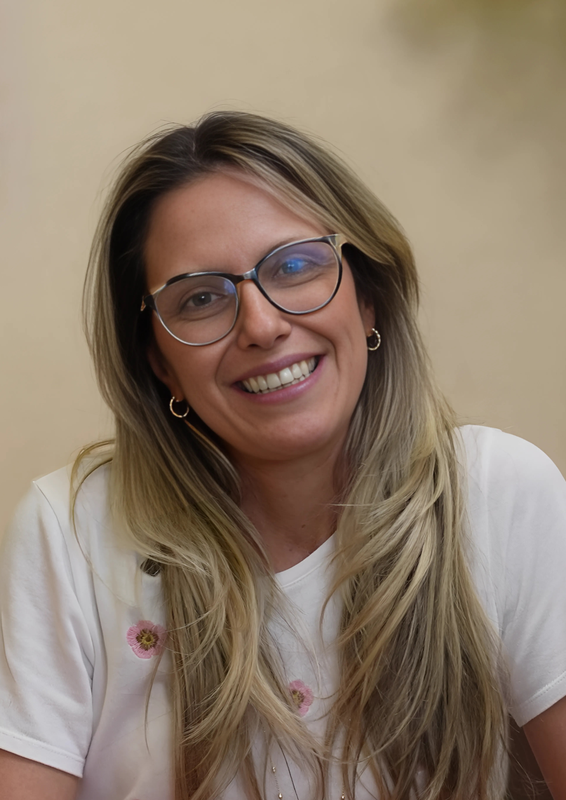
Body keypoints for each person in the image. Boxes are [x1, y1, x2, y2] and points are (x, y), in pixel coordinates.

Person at [0, 112, 565, 800]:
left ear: (367, 299)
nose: (262, 326)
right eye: (201, 298)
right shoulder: (71, 529)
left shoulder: (498, 492)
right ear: (159, 362)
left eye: (295, 266)